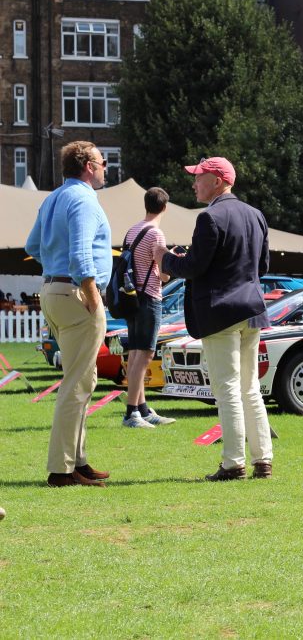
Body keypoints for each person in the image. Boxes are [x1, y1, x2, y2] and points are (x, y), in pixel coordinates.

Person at [154, 157, 273, 481]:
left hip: (221, 312)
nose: (194, 183)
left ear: (217, 181)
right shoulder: (256, 215)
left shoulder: (210, 217)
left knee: (228, 388)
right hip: (251, 309)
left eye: (199, 177)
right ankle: (263, 460)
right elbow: (261, 267)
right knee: (250, 387)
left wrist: (165, 258)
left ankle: (234, 463)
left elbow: (194, 267)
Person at [25, 141, 111, 488]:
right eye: (102, 162)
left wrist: (56, 267)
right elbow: (80, 255)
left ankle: (78, 461)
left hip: (53, 291)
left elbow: (32, 246)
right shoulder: (85, 200)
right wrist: (92, 296)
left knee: (84, 379)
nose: (106, 168)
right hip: (77, 294)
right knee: (77, 383)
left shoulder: (54, 197)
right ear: (88, 165)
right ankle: (62, 470)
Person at [122, 187, 176, 429]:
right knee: (145, 355)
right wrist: (173, 258)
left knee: (135, 353)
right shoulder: (156, 234)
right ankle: (131, 412)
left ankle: (142, 409)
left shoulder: (132, 230)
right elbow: (164, 275)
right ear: (165, 207)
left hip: (131, 298)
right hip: (149, 298)